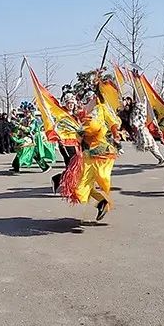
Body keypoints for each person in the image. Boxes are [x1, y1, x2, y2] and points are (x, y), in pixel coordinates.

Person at [57, 75, 121, 223]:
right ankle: (101, 203)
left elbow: (113, 122)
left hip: (101, 151)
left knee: (100, 177)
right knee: (80, 187)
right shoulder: (79, 115)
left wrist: (116, 134)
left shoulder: (101, 109)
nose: (89, 101)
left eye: (92, 98)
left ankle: (60, 179)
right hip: (83, 153)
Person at [120, 92, 164, 164]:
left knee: (151, 144)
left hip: (142, 130)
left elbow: (143, 113)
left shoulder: (137, 107)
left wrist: (144, 98)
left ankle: (161, 157)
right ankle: (160, 158)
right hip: (139, 131)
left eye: (126, 102)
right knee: (151, 145)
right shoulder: (128, 112)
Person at [10, 102, 54, 173]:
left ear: (30, 112)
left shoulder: (34, 120)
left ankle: (45, 167)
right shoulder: (24, 120)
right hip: (28, 138)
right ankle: (16, 167)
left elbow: (30, 129)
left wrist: (20, 126)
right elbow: (20, 128)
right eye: (24, 112)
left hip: (34, 139)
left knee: (29, 152)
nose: (26, 113)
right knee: (27, 152)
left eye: (27, 112)